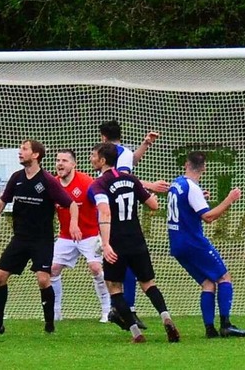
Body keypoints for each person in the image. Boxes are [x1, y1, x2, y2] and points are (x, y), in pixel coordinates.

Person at [0, 140, 79, 335]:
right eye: (20, 149)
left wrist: (73, 224)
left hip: (42, 240)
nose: (20, 152)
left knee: (43, 280)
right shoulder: (17, 178)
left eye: (24, 149)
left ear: (36, 155)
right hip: (20, 239)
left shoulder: (48, 181)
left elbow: (71, 204)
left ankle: (49, 325)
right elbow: (0, 204)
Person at [89, 142, 180, 343]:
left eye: (93, 155)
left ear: (103, 160)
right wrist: (151, 195)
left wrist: (105, 244)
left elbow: (104, 212)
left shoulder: (99, 184)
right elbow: (154, 205)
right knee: (148, 284)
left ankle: (136, 333)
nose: (91, 159)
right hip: (137, 240)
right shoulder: (131, 179)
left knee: (114, 288)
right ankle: (166, 317)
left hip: (116, 242)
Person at [167, 151, 245, 338]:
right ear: (204, 168)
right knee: (224, 278)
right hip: (192, 241)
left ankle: (210, 329)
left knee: (207, 283)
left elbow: (184, 205)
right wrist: (230, 199)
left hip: (176, 244)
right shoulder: (192, 188)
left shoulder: (176, 183)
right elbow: (208, 217)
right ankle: (226, 325)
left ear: (186, 165)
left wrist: (199, 197)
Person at [99, 119, 170, 329]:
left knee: (114, 271)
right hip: (126, 221)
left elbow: (124, 177)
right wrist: (150, 187)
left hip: (109, 219)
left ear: (103, 137)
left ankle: (122, 310)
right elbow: (127, 176)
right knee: (127, 269)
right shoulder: (124, 152)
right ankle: (125, 310)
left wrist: (145, 146)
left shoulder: (110, 158)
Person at [50, 149, 110, 323]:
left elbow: (102, 206)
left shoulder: (87, 183)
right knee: (52, 269)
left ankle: (107, 310)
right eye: (57, 160)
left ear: (73, 164)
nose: (60, 164)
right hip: (65, 237)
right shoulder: (53, 184)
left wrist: (102, 233)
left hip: (89, 234)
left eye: (64, 161)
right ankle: (56, 312)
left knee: (95, 268)